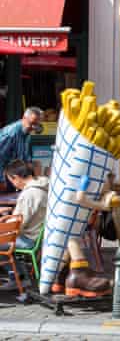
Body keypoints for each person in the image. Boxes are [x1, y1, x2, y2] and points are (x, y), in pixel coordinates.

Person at [1, 159, 48, 289]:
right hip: (37, 235)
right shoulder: (43, 187)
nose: (13, 184)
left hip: (29, 239)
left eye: (10, 181)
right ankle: (19, 276)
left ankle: (19, 278)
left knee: (1, 241)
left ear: (15, 177)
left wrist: (4, 221)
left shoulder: (29, 194)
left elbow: (17, 225)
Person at [0, 107, 42, 190]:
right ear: (24, 118)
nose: (34, 127)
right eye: (32, 123)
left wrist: (30, 167)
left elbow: (25, 158)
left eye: (37, 124)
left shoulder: (27, 131)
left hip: (16, 172)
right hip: (6, 174)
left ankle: (35, 189)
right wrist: (1, 181)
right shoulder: (11, 134)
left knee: (37, 164)